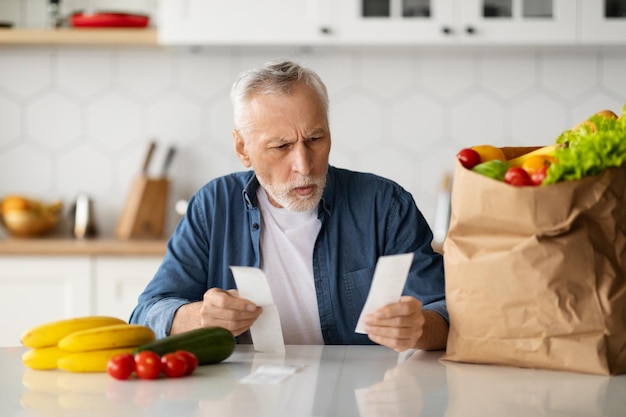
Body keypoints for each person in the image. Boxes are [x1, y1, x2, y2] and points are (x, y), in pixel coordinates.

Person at [129, 60, 448, 352]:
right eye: (281, 146)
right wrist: (199, 316)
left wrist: (419, 328)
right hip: (244, 395)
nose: (304, 165)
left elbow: (444, 310)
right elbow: (146, 313)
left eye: (315, 139)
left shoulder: (385, 206)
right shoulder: (213, 206)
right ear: (243, 148)